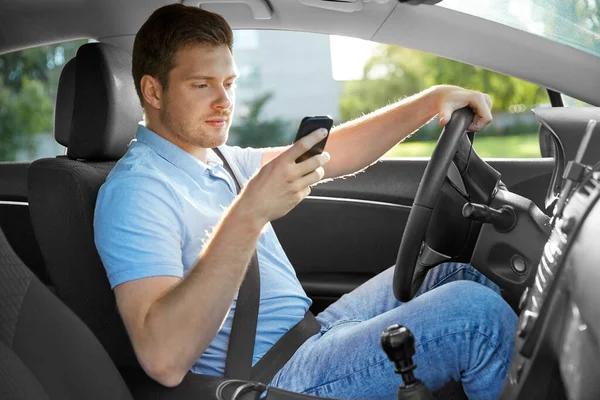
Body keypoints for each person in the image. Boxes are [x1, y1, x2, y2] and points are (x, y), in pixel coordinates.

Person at [94, 4, 517, 399]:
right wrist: (251, 211)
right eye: (202, 85)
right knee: (474, 317)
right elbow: (162, 360)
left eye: (229, 83)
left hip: (310, 332)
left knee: (456, 271)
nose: (224, 102)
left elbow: (340, 152)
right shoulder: (136, 191)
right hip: (269, 376)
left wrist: (430, 102)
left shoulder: (218, 160)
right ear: (152, 90)